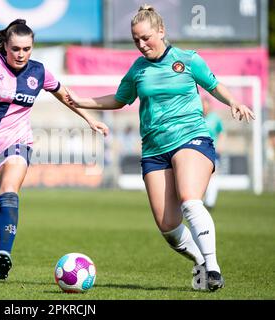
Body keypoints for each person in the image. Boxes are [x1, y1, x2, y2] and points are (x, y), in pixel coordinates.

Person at [66, 5, 255, 291]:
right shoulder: (138, 69)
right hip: (154, 150)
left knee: (190, 199)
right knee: (168, 227)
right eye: (136, 40)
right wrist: (81, 102)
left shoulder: (187, 60)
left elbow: (214, 85)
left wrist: (234, 102)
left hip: (191, 137)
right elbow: (119, 99)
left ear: (161, 32)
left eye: (146, 38)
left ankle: (213, 267)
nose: (142, 45)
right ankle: (200, 262)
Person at [0, 19, 108, 280]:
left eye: (27, 49)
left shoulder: (38, 72)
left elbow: (65, 94)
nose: (21, 54)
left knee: (9, 191)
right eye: (16, 49)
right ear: (6, 47)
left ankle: (4, 254)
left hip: (17, 143)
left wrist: (89, 118)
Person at [202, 97, 224, 211]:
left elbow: (221, 132)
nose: (204, 107)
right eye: (202, 105)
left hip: (212, 150)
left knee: (212, 175)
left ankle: (210, 202)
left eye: (206, 105)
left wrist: (221, 146)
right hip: (199, 151)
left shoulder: (215, 119)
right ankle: (200, 200)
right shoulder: (197, 117)